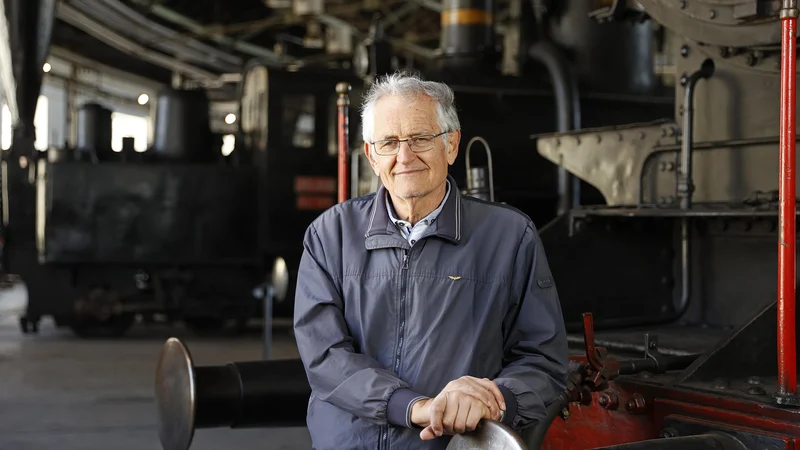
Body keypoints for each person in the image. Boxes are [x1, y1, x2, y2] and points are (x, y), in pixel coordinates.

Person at [293, 71, 568, 450]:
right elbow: (324, 356)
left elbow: (543, 360)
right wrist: (415, 406)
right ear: (372, 156)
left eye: (421, 139)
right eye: (389, 143)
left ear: (451, 145)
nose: (405, 157)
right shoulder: (330, 235)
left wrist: (491, 398)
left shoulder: (509, 236)